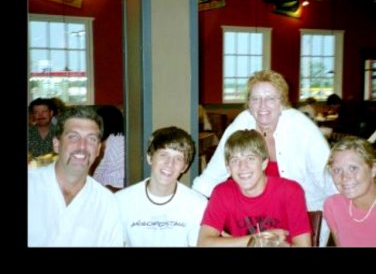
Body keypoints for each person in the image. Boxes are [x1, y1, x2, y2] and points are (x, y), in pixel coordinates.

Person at [192, 70, 337, 246]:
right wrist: (197, 218)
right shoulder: (243, 123)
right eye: (255, 99)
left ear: (282, 102)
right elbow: (211, 176)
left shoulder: (302, 129)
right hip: (252, 219)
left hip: (303, 212)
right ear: (248, 103)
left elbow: (331, 181)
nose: (262, 106)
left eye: (270, 98)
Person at [28, 106, 124, 247]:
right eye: (73, 137)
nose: (82, 146)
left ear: (98, 149)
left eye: (91, 139)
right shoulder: (31, 186)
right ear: (56, 144)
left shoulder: (106, 202)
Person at [197, 129, 312, 247]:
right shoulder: (222, 192)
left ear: (264, 163)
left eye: (250, 158)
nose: (242, 166)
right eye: (235, 160)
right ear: (228, 168)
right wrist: (259, 239)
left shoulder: (291, 191)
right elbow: (203, 243)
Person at [115, 126, 208, 247]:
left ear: (185, 167)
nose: (170, 163)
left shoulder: (198, 204)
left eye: (178, 158)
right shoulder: (120, 201)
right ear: (150, 157)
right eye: (164, 155)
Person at [91, 105, 125, 192]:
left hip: (108, 187)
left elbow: (99, 171)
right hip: (124, 186)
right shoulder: (125, 139)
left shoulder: (107, 143)